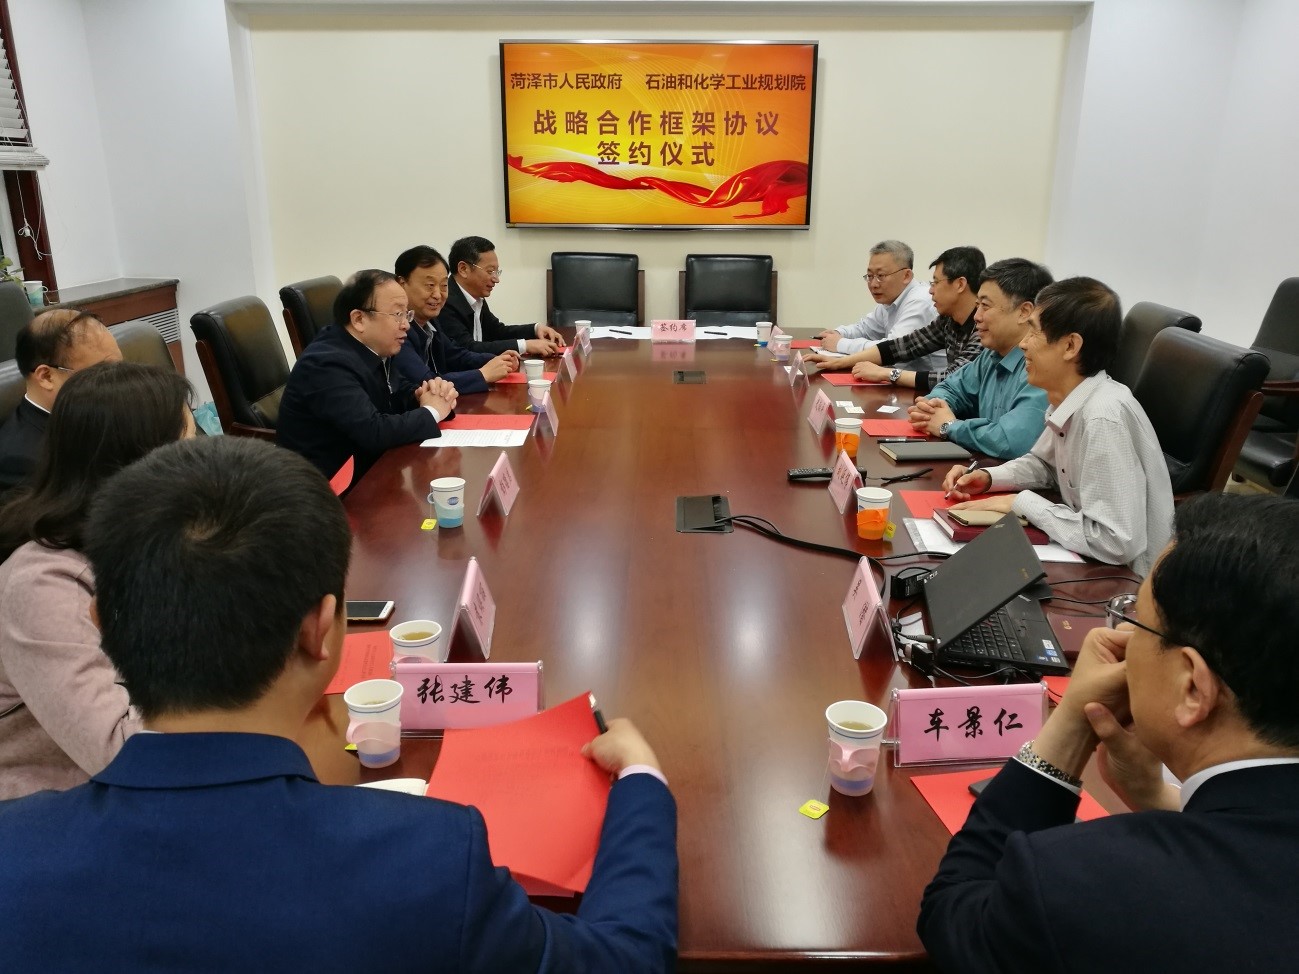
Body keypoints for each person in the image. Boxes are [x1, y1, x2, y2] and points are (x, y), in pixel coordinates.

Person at [0, 436, 679, 972]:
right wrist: (642, 783)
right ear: (321, 630)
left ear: (100, 623)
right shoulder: (428, 859)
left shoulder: (16, 854)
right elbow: (621, 957)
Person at [919, 492, 1299, 973]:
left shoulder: (1085, 885)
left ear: (1191, 687)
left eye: (1139, 625)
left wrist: (1072, 722)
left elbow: (955, 915)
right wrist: (1158, 799)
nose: (1124, 640)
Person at [0, 362, 194, 799]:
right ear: (137, 468)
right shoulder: (42, 585)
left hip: (150, 775)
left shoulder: (151, 538)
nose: (205, 464)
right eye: (188, 450)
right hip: (56, 803)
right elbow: (121, 753)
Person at [944, 277, 1173, 575]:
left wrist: (1021, 503)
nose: (1023, 344)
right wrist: (988, 478)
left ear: (1070, 345)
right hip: (1087, 557)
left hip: (1128, 580)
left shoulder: (1102, 418)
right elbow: (1046, 465)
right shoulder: (1070, 398)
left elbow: (1117, 541)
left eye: (1034, 332)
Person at [277, 268, 459, 482]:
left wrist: (425, 394)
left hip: (372, 471)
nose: (406, 325)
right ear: (359, 319)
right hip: (328, 488)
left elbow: (396, 391)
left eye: (406, 314)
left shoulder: (374, 348)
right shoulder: (325, 364)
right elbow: (374, 432)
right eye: (397, 314)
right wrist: (432, 411)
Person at [905, 258, 1052, 459]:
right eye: (977, 306)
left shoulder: (1041, 365)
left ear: (1024, 312)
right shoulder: (991, 355)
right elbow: (951, 388)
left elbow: (1011, 441)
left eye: (985, 306)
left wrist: (949, 426)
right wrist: (931, 408)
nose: (976, 316)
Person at [806, 246, 985, 392]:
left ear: (960, 284)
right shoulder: (948, 320)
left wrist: (888, 374)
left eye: (936, 283)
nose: (931, 290)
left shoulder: (983, 327)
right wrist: (840, 362)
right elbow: (902, 346)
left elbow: (954, 379)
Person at [0, 309, 122, 495]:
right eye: (103, 372)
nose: (120, 381)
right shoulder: (21, 461)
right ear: (46, 377)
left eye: (120, 368)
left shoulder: (111, 409)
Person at [393, 244, 520, 394]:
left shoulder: (430, 322)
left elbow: (456, 355)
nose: (438, 295)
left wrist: (497, 360)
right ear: (402, 284)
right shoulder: (397, 329)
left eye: (443, 286)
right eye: (430, 285)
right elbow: (427, 382)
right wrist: (483, 375)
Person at [812, 239, 940, 370]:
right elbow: (865, 329)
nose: (873, 284)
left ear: (906, 276)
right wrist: (838, 333)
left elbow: (893, 349)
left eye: (881, 275)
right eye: (870, 275)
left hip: (929, 381)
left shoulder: (920, 301)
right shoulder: (891, 299)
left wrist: (841, 344)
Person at [439, 235, 567, 357]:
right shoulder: (445, 302)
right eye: (490, 271)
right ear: (463, 269)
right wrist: (525, 345)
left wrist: (535, 329)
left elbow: (497, 332)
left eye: (496, 272)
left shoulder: (475, 297)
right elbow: (468, 348)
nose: (496, 279)